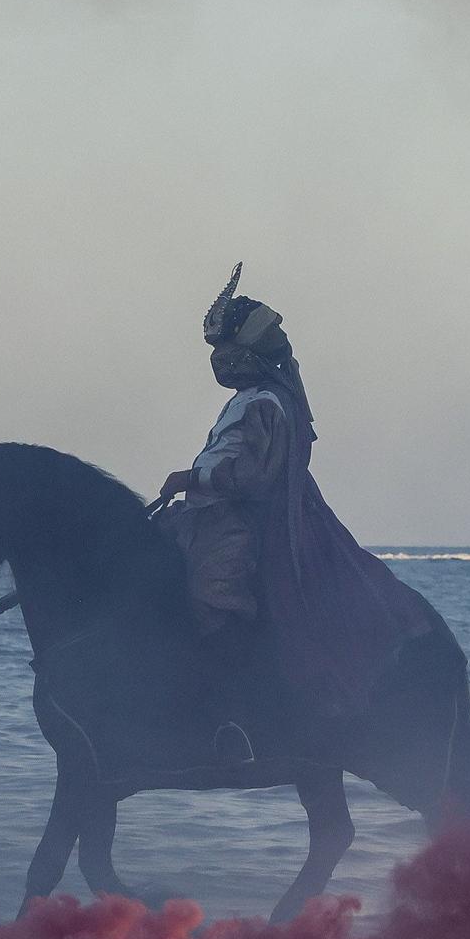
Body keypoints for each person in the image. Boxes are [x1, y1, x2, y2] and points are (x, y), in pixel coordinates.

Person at [154, 262, 437, 760]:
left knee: (211, 596)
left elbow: (256, 480)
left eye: (228, 352)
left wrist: (190, 478)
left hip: (241, 526)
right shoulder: (246, 401)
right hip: (207, 518)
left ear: (250, 355)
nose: (219, 361)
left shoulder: (268, 403)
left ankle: (233, 719)